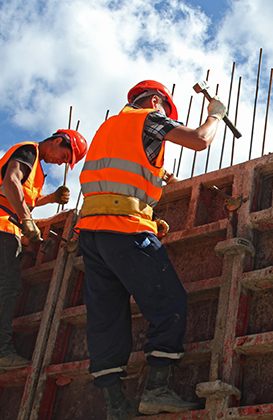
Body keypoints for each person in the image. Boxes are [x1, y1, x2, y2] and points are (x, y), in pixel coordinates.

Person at [76, 80, 226, 419]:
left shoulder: (107, 128)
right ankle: (158, 389)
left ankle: (116, 406)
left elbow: (116, 179)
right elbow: (200, 141)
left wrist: (153, 192)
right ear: (156, 101)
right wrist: (215, 115)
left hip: (92, 234)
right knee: (168, 302)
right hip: (124, 229)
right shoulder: (148, 118)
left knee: (106, 318)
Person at [0, 130, 88, 376]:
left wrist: (50, 198)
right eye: (63, 156)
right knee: (8, 286)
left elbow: (20, 193)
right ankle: (0, 351)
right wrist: (26, 220)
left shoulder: (32, 165)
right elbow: (10, 182)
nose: (60, 162)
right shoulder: (28, 151)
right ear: (56, 141)